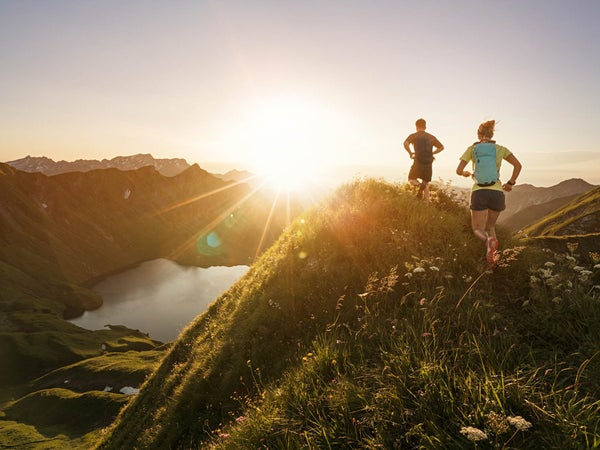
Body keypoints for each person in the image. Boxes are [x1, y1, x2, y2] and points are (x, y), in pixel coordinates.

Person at [456, 120, 522, 268]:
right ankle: (493, 260)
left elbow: (458, 170)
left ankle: (487, 242)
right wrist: (510, 183)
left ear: (478, 135)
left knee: (477, 229)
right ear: (491, 135)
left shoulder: (472, 149)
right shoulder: (500, 149)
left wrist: (466, 173)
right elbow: (518, 166)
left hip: (479, 192)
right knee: (490, 226)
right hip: (497, 193)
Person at [403, 118, 444, 202]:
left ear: (416, 126)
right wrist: (432, 153)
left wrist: (410, 153)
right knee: (426, 183)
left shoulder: (414, 135)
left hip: (418, 161)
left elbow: (405, 143)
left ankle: (420, 186)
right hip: (429, 162)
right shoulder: (431, 137)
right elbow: (441, 147)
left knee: (411, 179)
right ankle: (426, 204)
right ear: (425, 127)